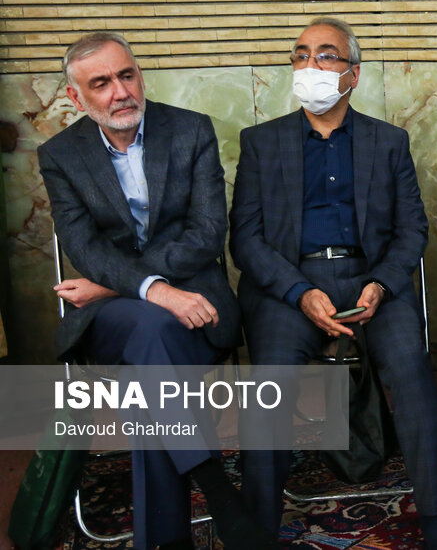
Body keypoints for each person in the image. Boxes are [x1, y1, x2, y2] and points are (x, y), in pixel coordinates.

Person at [229, 18, 437, 548]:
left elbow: (412, 229)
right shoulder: (261, 143)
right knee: (269, 382)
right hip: (289, 285)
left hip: (371, 280)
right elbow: (245, 239)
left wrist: (381, 284)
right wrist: (298, 292)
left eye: (325, 55)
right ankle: (259, 528)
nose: (309, 65)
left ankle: (435, 516)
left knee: (411, 370)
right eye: (301, 55)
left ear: (353, 74)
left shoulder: (389, 142)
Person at [38, 33, 272, 550]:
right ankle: (219, 494)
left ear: (139, 75)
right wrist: (155, 290)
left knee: (148, 367)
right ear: (76, 97)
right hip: (116, 321)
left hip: (195, 306)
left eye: (127, 75)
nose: (121, 92)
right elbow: (83, 247)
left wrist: (115, 285)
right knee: (150, 329)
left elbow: (207, 233)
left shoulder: (190, 130)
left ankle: (168, 539)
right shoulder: (60, 155)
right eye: (101, 83)